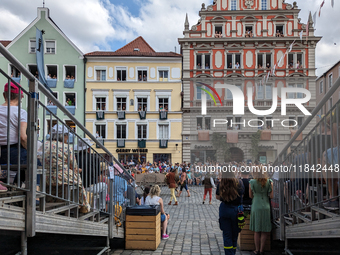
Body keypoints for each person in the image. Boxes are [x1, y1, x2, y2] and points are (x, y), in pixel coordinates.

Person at [41, 124, 90, 213]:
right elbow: (73, 166)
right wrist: (77, 170)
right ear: (63, 136)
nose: (67, 138)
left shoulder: (43, 145)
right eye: (67, 136)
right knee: (77, 179)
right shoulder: (67, 147)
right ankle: (84, 205)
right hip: (61, 177)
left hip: (46, 177)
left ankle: (53, 202)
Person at [0, 82, 27, 190]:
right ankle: (34, 197)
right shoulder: (21, 112)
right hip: (14, 150)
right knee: (35, 162)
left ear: (4, 95)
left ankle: (11, 187)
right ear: (21, 97)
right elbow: (23, 137)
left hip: (1, 152)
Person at [216, 169, 244, 255]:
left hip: (225, 209)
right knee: (235, 234)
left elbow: (217, 197)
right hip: (236, 210)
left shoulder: (221, 183)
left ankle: (229, 253)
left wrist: (225, 197)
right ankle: (233, 252)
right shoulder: (239, 183)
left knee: (227, 235)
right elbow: (242, 194)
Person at [249, 167, 273, 255]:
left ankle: (257, 249)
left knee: (257, 229)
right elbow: (271, 196)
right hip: (266, 205)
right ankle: (262, 250)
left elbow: (250, 196)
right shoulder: (269, 182)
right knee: (264, 229)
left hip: (256, 204)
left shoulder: (252, 182)